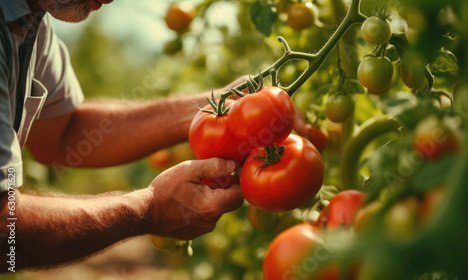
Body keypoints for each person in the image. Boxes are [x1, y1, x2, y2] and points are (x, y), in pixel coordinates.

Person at [0, 0, 308, 271]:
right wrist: (146, 210)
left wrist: (214, 111)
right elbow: (5, 231)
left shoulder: (32, 26)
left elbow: (65, 134)